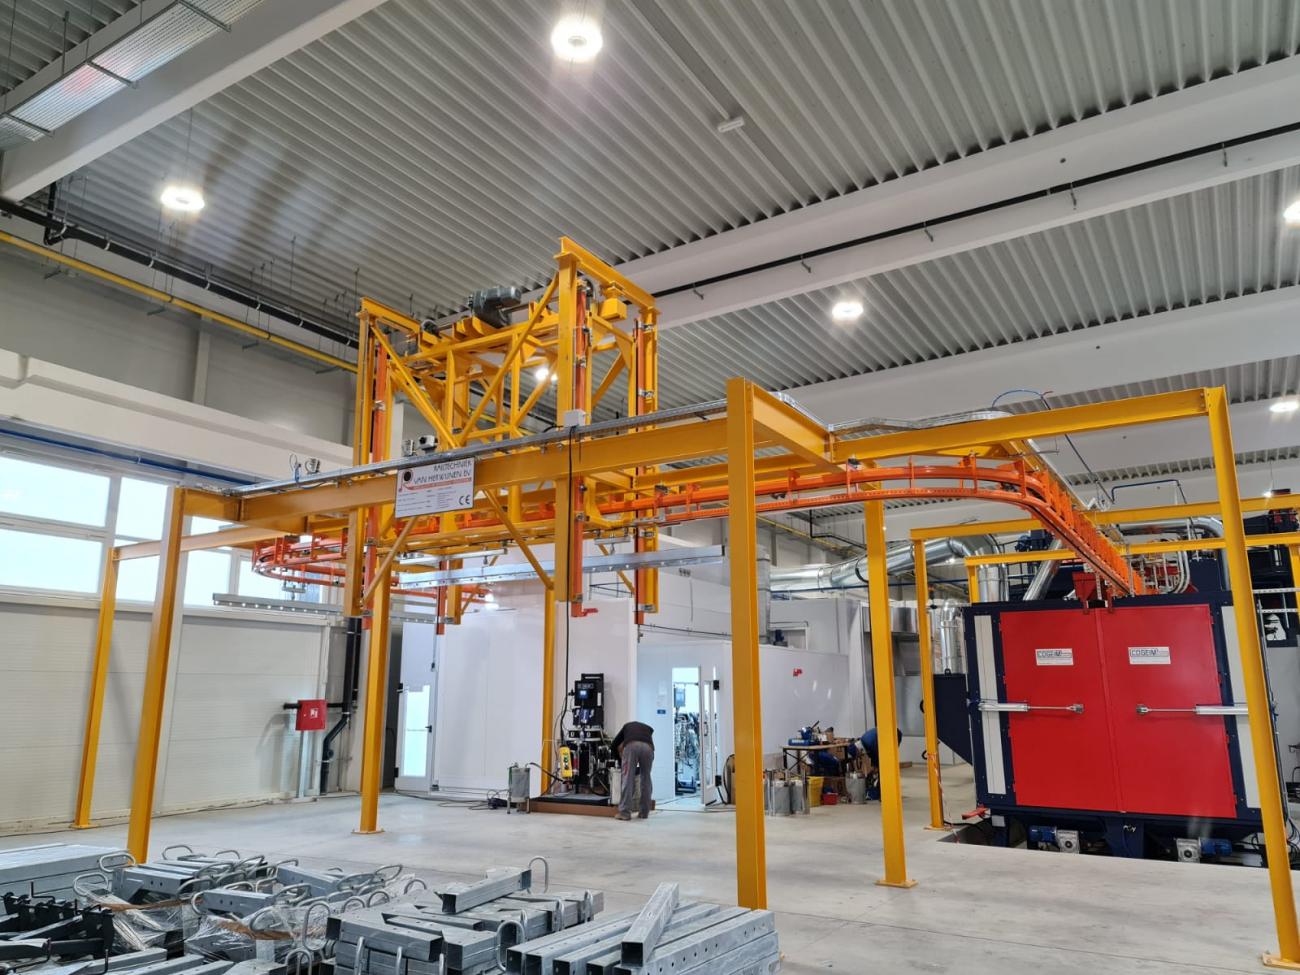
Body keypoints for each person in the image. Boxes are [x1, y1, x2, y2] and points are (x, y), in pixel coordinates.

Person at [611, 720, 654, 820]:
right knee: (646, 779)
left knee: (627, 779)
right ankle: (644, 813)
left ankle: (625, 813)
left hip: (632, 746)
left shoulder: (626, 727)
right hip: (649, 748)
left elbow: (613, 745)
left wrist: (620, 761)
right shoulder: (646, 729)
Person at [857, 727, 903, 800]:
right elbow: (873, 754)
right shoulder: (864, 740)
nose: (860, 756)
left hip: (892, 735)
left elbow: (879, 755)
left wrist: (876, 767)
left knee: (884, 771)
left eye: (858, 754)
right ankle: (885, 791)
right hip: (889, 735)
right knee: (882, 770)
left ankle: (884, 793)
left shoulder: (869, 744)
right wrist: (874, 766)